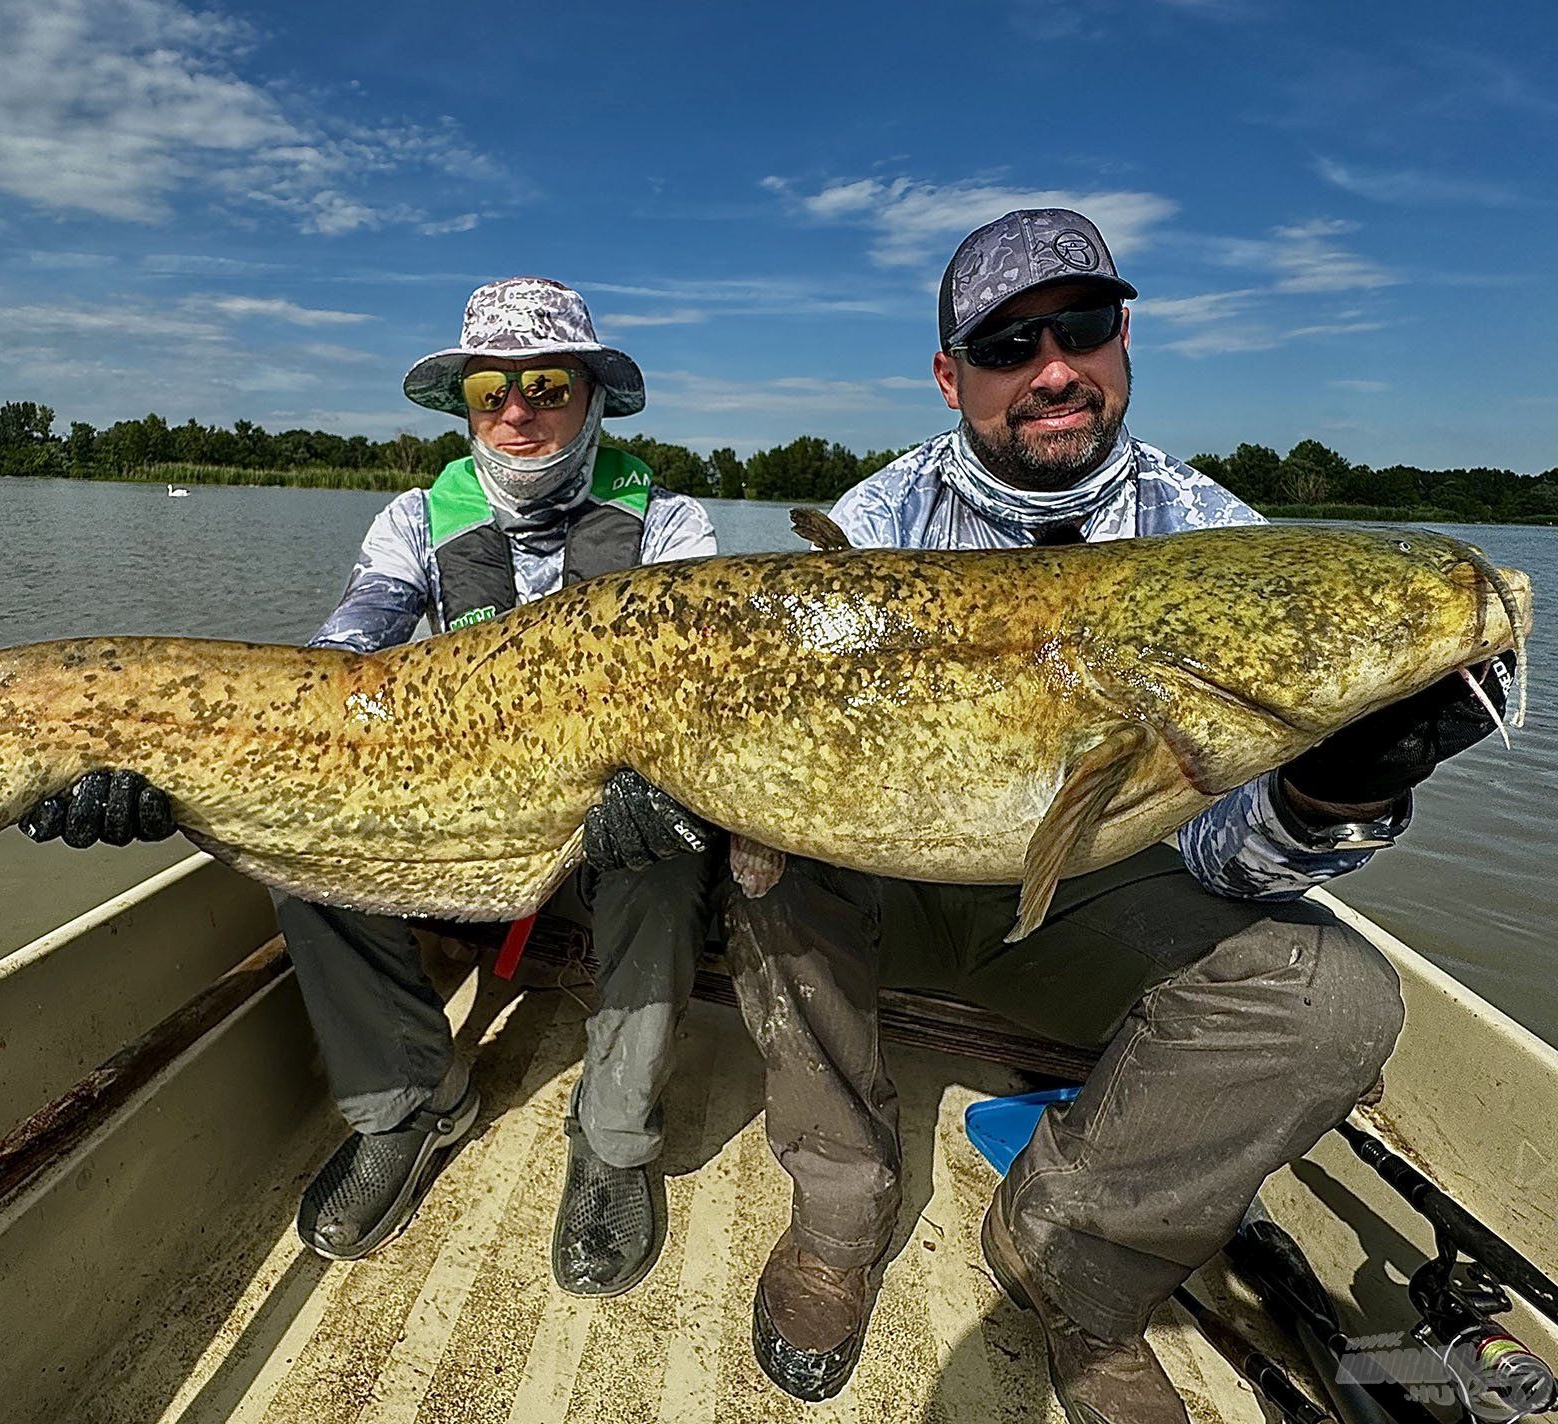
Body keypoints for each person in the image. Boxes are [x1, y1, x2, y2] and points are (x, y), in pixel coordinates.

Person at [636, 210, 1513, 1418]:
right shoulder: (874, 525)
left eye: (1081, 327)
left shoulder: (1218, 539)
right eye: (1006, 346)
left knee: (1336, 1000)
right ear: (951, 378)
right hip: (890, 893)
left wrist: (1333, 792)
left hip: (1090, 896)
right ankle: (842, 1205)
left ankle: (1069, 1260)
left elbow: (1226, 858)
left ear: (1123, 339)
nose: (1053, 368)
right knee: (773, 848)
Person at [21, 276, 718, 1298]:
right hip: (461, 829)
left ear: (593, 396)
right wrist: (155, 769)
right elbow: (342, 659)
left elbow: (699, 697)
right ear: (467, 406)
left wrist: (655, 788)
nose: (518, 411)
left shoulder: (671, 525)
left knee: (663, 847)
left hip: (598, 827)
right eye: (493, 391)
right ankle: (413, 1102)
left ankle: (614, 1136)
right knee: (301, 842)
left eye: (548, 386)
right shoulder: (411, 523)